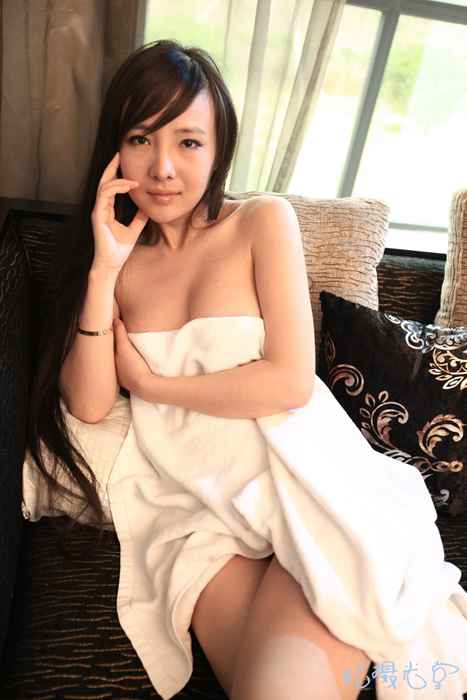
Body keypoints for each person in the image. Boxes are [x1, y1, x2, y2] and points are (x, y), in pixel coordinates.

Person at [27, 39, 467, 700]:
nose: (163, 168)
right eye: (141, 139)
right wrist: (103, 269)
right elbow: (87, 405)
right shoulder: (118, 259)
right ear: (115, 148)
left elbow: (288, 381)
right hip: (194, 505)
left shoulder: (261, 221)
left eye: (189, 142)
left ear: (218, 150)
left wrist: (152, 385)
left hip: (300, 478)